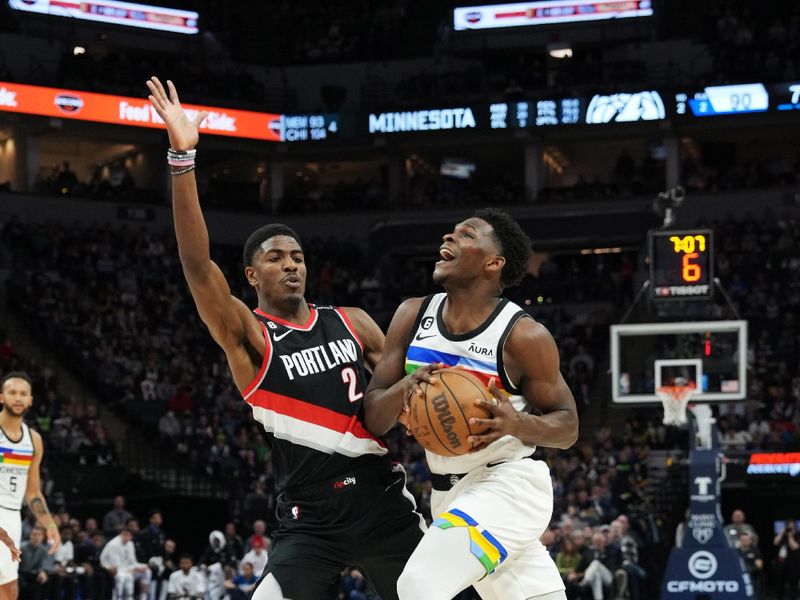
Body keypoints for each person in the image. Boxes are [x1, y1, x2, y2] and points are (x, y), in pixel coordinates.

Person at [146, 77, 424, 600]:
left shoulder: (353, 320)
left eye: (297, 256)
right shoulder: (249, 336)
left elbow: (406, 394)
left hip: (381, 502)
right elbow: (196, 265)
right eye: (275, 258)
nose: (291, 264)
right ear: (252, 276)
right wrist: (182, 159)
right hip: (309, 517)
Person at [364, 209, 579, 600]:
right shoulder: (412, 315)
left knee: (419, 586)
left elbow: (568, 427)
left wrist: (517, 424)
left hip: (508, 485)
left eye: (466, 235)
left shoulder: (523, 335)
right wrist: (407, 387)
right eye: (451, 232)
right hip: (448, 494)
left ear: (493, 263)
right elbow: (374, 417)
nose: (448, 237)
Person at [0, 371, 61, 600]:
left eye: (23, 393)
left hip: (12, 516)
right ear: (1, 397)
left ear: (30, 400)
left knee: (8, 589)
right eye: (12, 392)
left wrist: (50, 525)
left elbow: (33, 492)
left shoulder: (33, 440)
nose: (18, 398)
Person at [99, 526, 152, 600]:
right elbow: (116, 566)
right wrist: (134, 569)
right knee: (125, 576)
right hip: (111, 568)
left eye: (129, 535)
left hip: (127, 568)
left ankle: (143, 597)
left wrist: (141, 567)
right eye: (125, 535)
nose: (127, 537)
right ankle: (119, 597)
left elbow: (133, 561)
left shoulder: (130, 543)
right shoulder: (113, 545)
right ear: (121, 534)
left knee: (147, 571)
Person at [773, 519, 800, 600]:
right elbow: (775, 543)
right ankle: (779, 597)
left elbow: (794, 547)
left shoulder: (798, 535)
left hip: (794, 563)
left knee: (793, 583)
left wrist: (790, 536)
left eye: (791, 525)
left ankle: (793, 597)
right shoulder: (782, 535)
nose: (789, 527)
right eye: (788, 525)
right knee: (780, 583)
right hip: (781, 562)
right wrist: (781, 533)